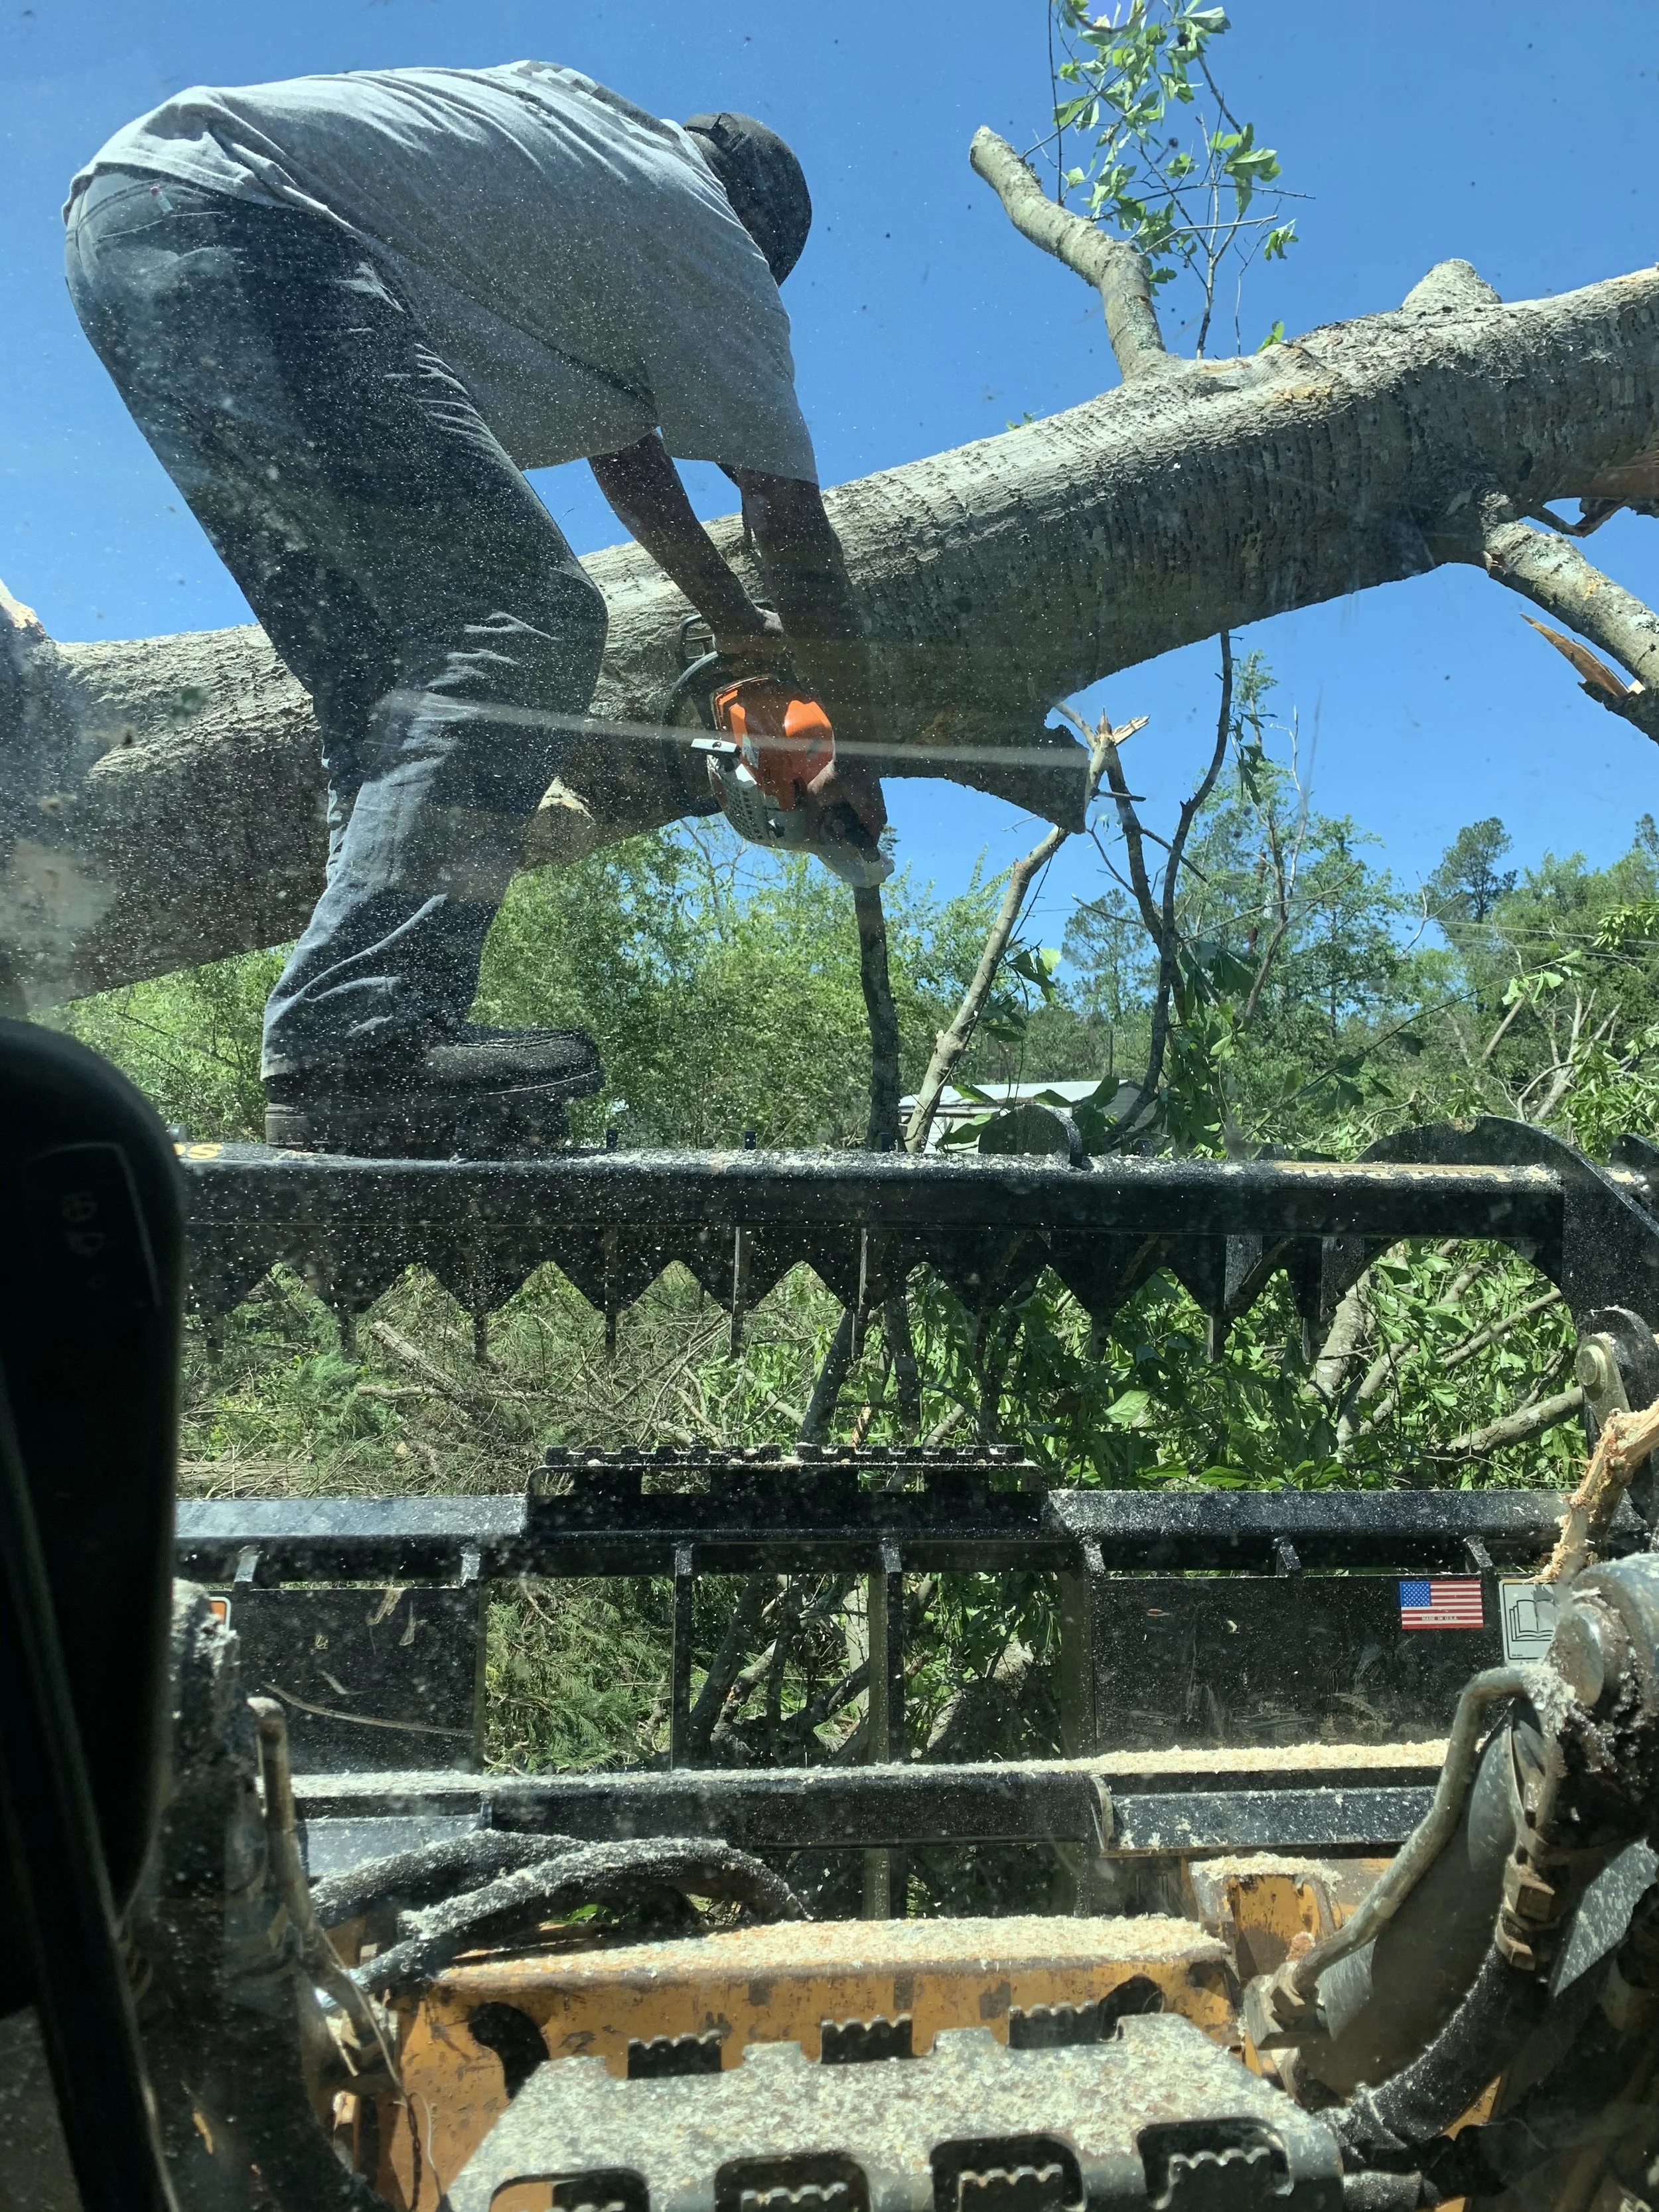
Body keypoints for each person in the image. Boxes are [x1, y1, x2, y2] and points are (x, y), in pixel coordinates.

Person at [63, 62, 884, 1156]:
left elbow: (629, 461)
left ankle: (350, 1061)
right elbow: (788, 519)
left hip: (134, 231)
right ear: (763, 236)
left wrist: (742, 639)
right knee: (529, 615)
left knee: (384, 676)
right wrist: (857, 741)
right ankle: (361, 1031)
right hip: (252, 231)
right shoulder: (712, 239)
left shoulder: (600, 170)